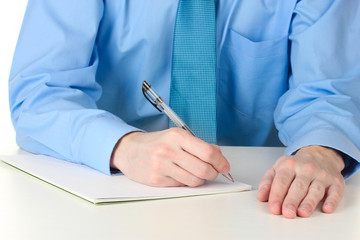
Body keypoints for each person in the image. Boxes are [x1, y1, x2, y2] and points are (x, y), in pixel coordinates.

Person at [8, 0, 360, 219]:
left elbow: (327, 91)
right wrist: (123, 146)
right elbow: (39, 92)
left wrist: (321, 152)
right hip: (115, 203)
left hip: (256, 203)